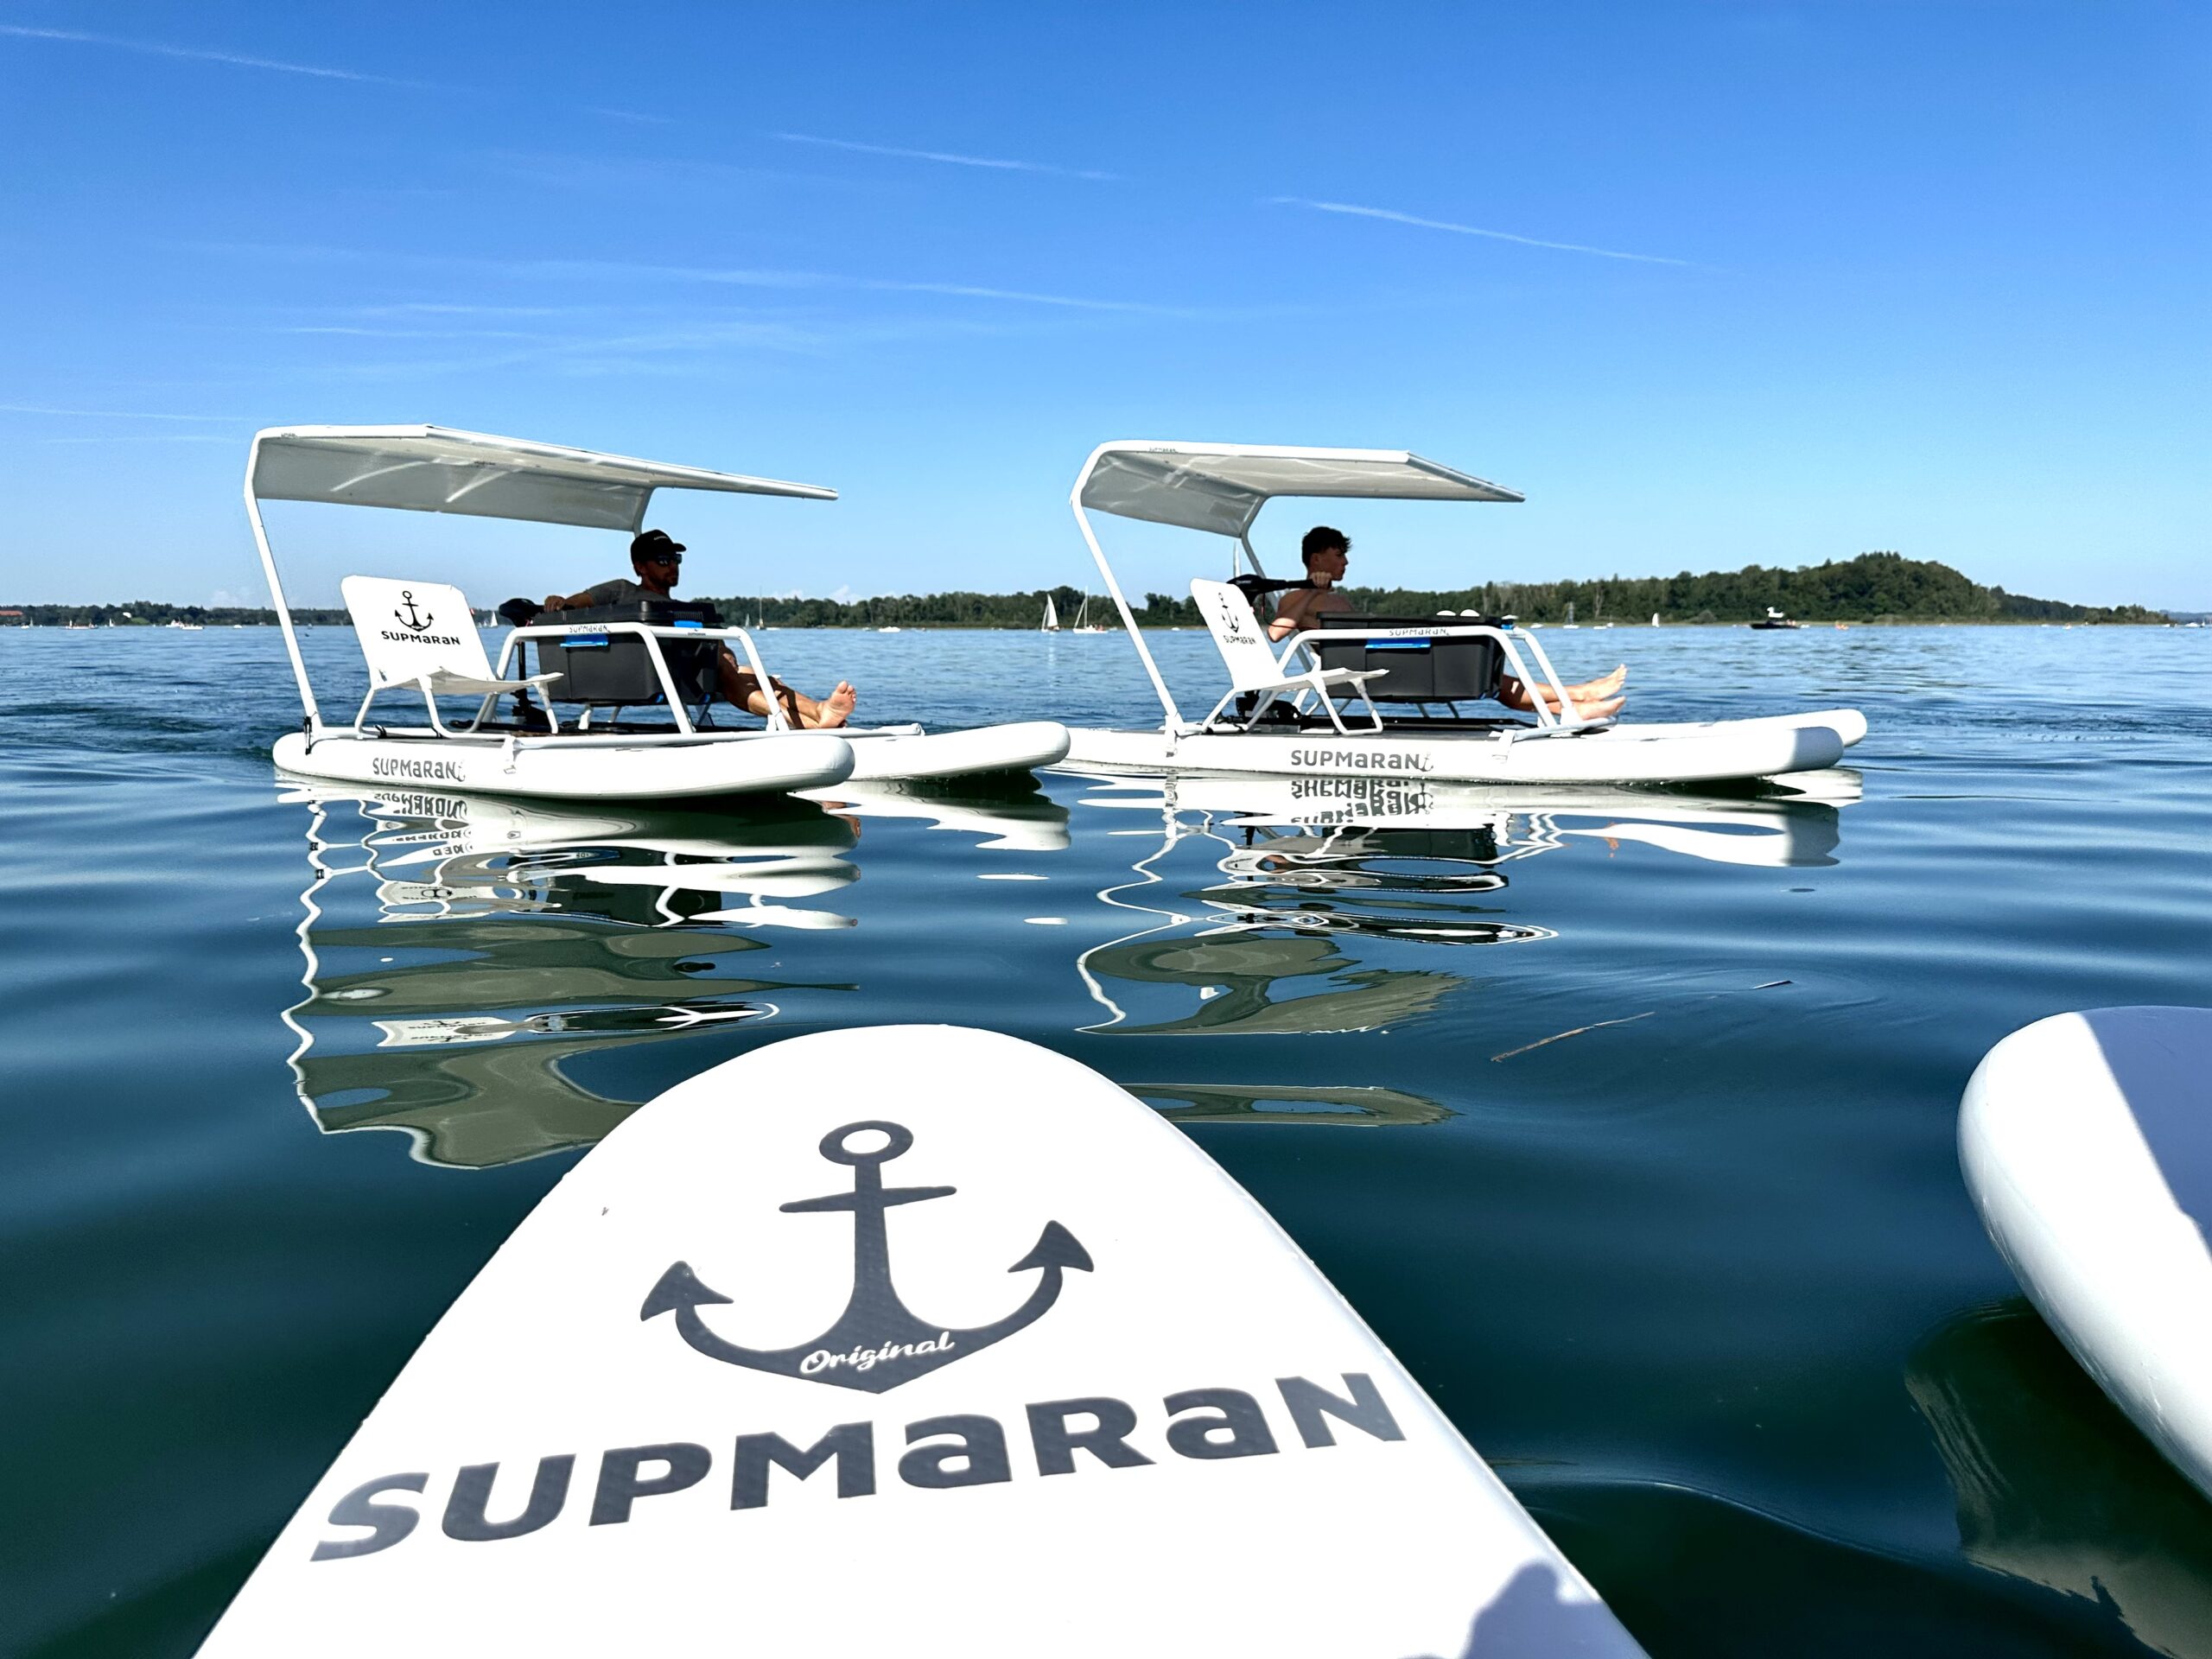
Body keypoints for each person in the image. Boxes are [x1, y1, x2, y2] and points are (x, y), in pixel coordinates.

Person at [1266, 525, 1626, 719]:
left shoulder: (1338, 598)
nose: (1345, 563)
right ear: (1316, 559)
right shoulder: (1295, 598)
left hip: (1382, 660)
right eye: (1338, 555)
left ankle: (1576, 708)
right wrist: (1311, 590)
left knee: (1483, 672)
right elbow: (1277, 632)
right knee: (1477, 671)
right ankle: (1579, 694)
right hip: (1369, 672)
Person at [543, 529, 856, 729]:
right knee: (728, 672)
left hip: (685, 669)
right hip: (642, 674)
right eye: (663, 560)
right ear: (640, 566)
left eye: (675, 558)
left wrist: (724, 651)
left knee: (756, 676)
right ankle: (817, 718)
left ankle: (819, 714)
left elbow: (715, 640)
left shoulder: (683, 608)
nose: (673, 565)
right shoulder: (622, 590)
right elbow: (574, 604)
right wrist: (558, 601)